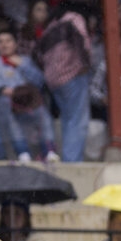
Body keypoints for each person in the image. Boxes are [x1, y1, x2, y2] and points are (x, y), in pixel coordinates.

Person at [0, 29, 55, 161]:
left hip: (28, 101)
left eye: (8, 41)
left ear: (15, 44)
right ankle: (22, 151)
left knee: (43, 113)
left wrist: (22, 66)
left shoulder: (25, 60)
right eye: (0, 42)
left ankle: (49, 150)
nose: (4, 45)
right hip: (6, 102)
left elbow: (39, 81)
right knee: (9, 109)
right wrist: (3, 89)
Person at [37, 10, 89, 162]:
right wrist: (85, 63)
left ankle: (69, 158)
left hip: (54, 80)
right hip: (73, 75)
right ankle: (72, 161)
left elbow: (38, 54)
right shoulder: (74, 19)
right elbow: (82, 41)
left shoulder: (50, 28)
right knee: (77, 121)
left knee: (68, 120)